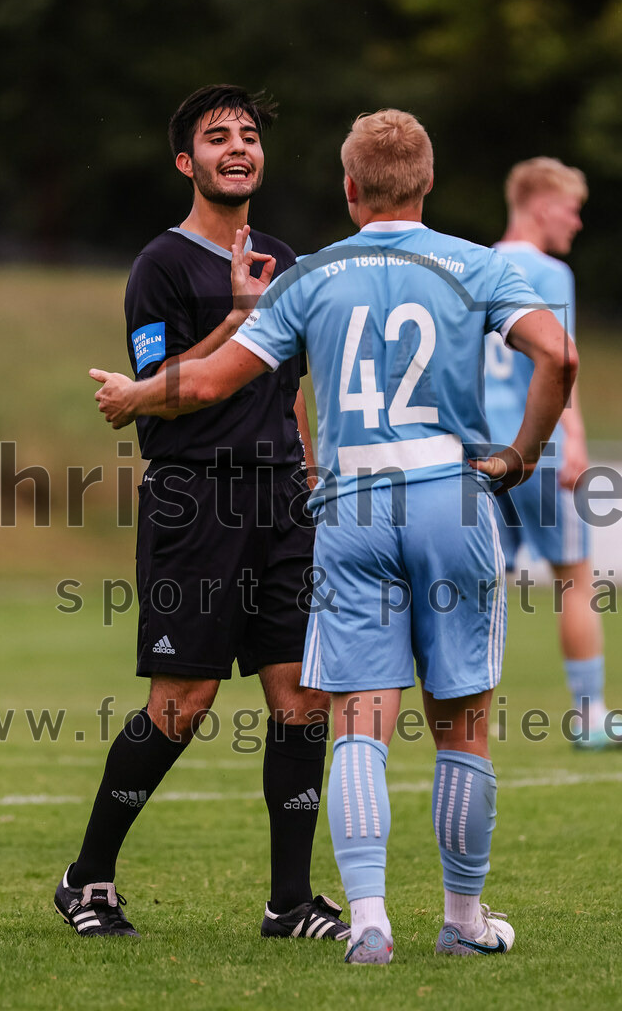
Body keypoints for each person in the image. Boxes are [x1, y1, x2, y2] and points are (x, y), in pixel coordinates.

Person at [90, 109, 575, 964]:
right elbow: (559, 357)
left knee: (352, 719)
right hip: (447, 494)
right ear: (427, 184)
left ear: (348, 189)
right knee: (461, 722)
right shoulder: (476, 263)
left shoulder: (309, 274)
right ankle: (463, 921)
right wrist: (520, 457)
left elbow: (206, 382)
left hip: (345, 507)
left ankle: (369, 918)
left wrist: (135, 395)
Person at [54, 84, 349, 943]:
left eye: (249, 136)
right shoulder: (162, 265)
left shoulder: (288, 260)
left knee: (302, 698)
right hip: (196, 499)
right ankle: (88, 879)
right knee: (183, 700)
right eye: (217, 138)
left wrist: (310, 473)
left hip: (282, 503)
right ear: (187, 162)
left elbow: (289, 385)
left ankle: (288, 901)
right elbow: (159, 399)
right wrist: (240, 318)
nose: (238, 148)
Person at [483, 157, 622, 749]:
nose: (576, 223)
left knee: (482, 589)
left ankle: (466, 715)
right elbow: (557, 364)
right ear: (541, 203)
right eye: (572, 209)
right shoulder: (549, 272)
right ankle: (590, 715)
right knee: (575, 580)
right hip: (540, 449)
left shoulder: (471, 267)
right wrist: (573, 440)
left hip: (482, 454)